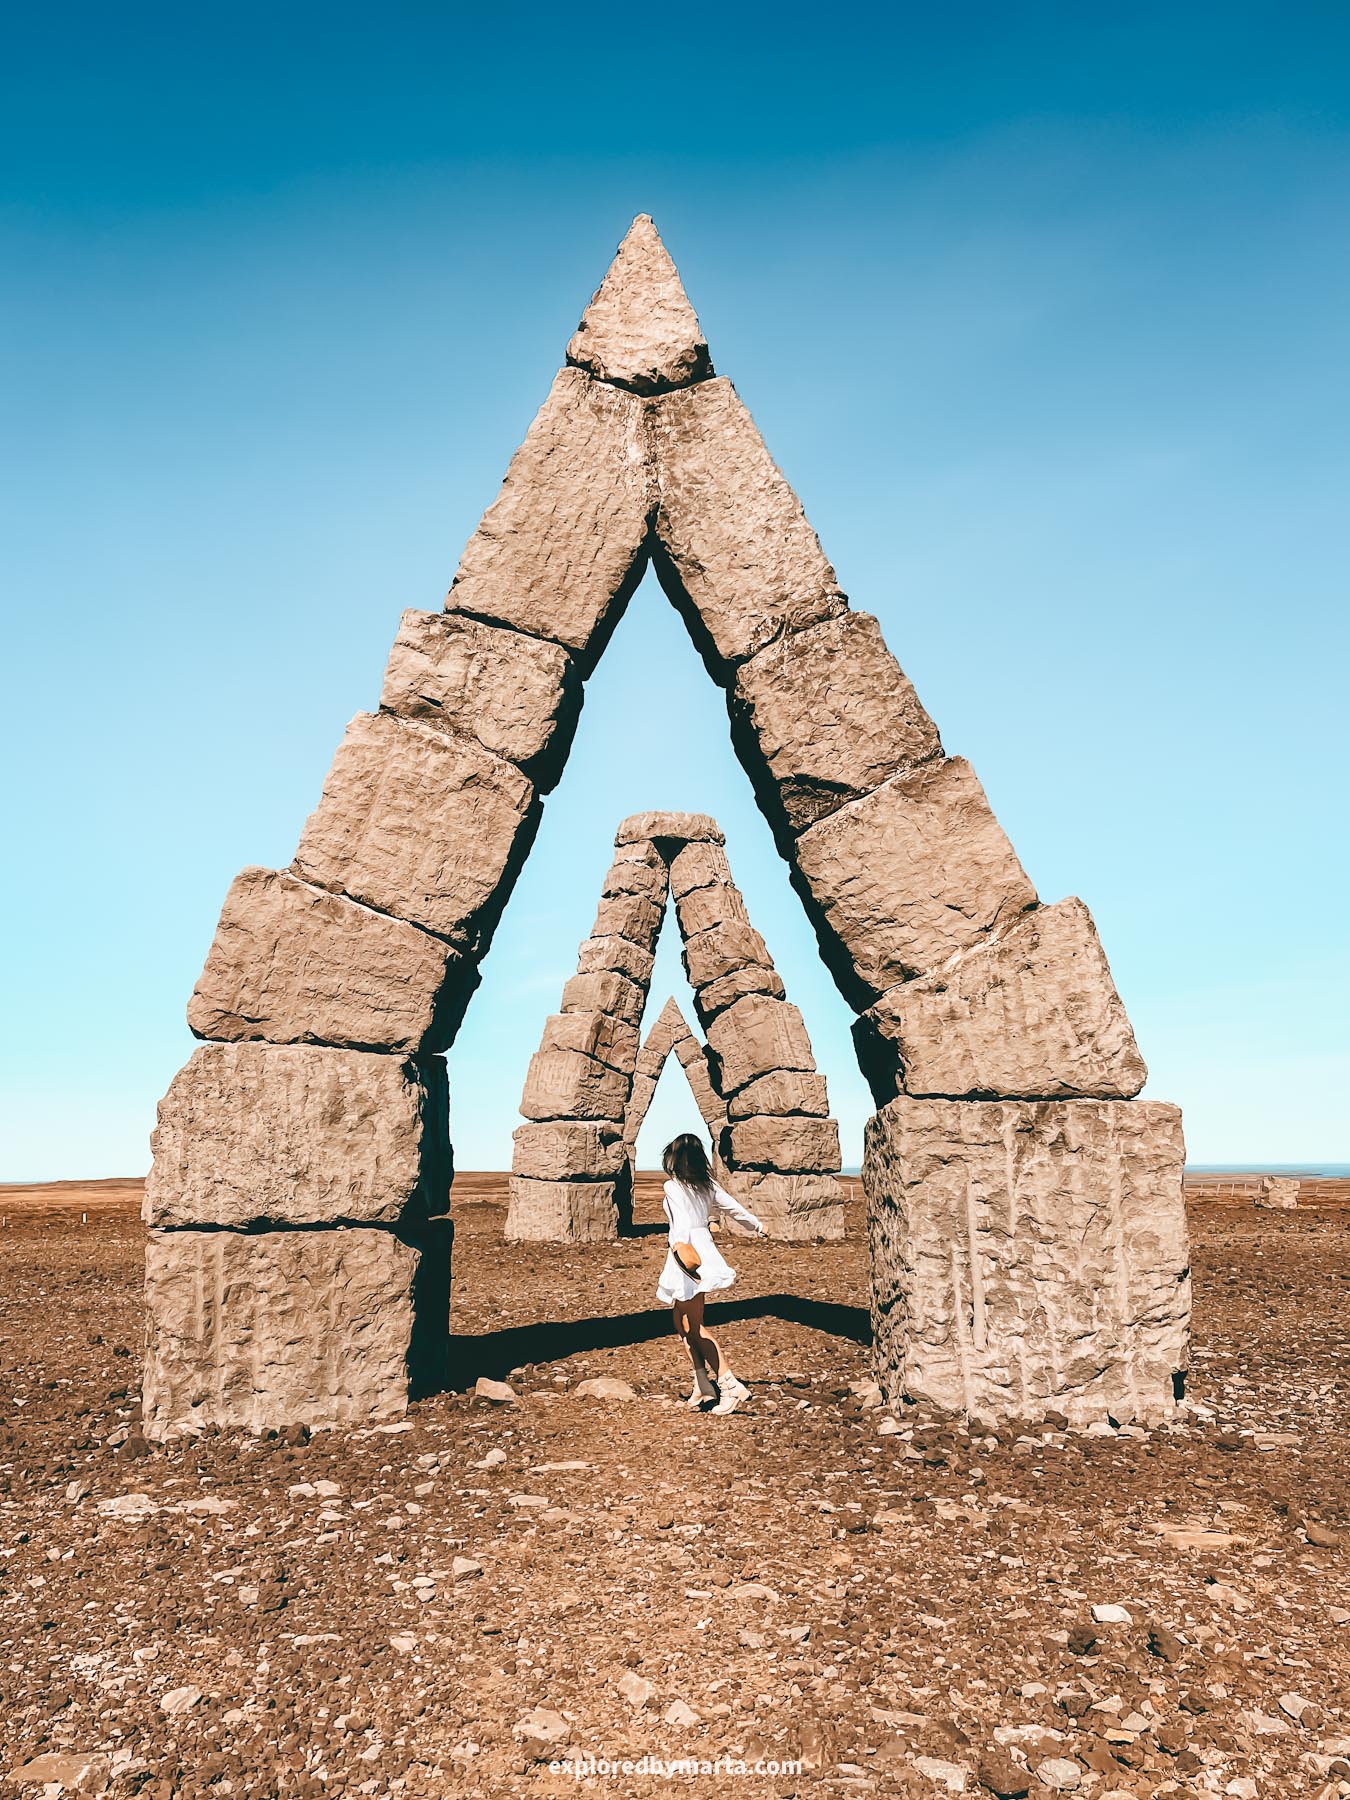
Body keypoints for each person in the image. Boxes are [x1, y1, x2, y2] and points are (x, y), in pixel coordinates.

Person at [656, 1133, 766, 1416]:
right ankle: (702, 1384)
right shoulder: (707, 1186)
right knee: (682, 1321)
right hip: (700, 1250)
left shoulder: (673, 1187)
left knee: (694, 1326)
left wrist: (678, 1250)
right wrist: (758, 1226)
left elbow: (679, 1223)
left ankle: (730, 1385)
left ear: (673, 1158)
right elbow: (734, 1208)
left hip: (687, 1255)